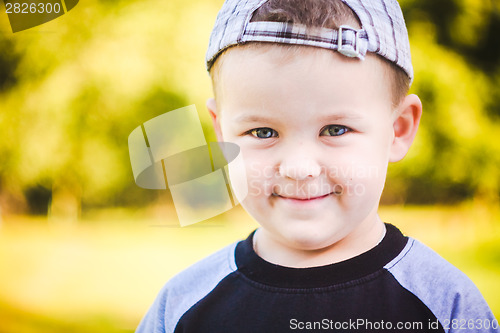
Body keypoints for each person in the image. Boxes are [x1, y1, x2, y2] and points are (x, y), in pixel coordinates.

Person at [136, 0, 499, 332]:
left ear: (398, 128)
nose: (298, 168)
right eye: (263, 131)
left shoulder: (445, 306)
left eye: (335, 129)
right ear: (221, 132)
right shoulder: (182, 307)